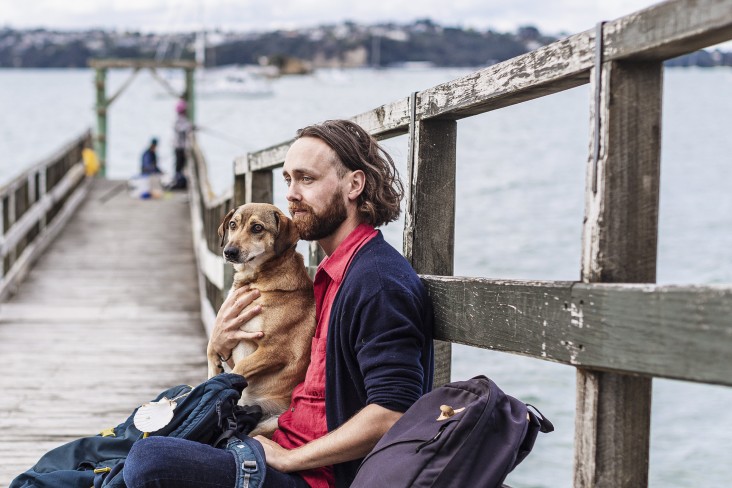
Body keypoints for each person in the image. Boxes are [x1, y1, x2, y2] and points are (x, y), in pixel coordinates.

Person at [123, 119, 434, 488]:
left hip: (314, 474)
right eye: (288, 180)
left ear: (354, 185)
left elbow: (393, 413)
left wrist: (290, 458)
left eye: (307, 179)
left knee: (150, 460)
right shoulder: (327, 275)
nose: (291, 194)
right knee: (142, 429)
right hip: (270, 435)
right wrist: (221, 346)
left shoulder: (378, 282)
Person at [169, 98, 193, 190]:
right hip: (179, 147)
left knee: (180, 165)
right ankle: (178, 181)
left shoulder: (180, 119)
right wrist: (190, 127)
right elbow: (182, 128)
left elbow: (185, 126)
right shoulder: (179, 119)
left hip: (179, 147)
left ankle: (179, 181)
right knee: (179, 165)